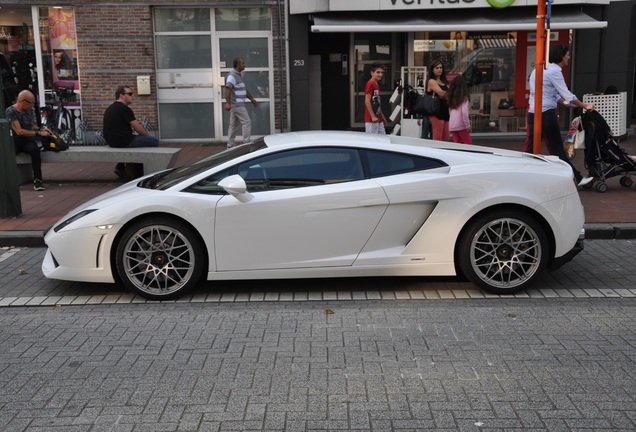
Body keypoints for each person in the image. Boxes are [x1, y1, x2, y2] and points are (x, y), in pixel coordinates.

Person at [525, 44, 594, 187]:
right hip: (547, 115)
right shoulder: (555, 71)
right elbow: (566, 94)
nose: (569, 57)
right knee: (557, 149)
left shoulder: (537, 70)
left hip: (533, 113)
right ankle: (577, 178)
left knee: (530, 149)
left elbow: (551, 94)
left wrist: (568, 103)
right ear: (561, 56)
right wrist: (584, 105)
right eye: (567, 54)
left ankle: (518, 176)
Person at [103, 86, 159, 178]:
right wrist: (147, 136)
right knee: (153, 141)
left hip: (112, 141)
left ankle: (120, 167)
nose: (132, 96)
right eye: (129, 94)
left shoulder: (111, 107)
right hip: (124, 141)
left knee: (138, 142)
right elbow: (138, 129)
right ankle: (140, 172)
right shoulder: (125, 109)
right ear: (121, 95)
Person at [5, 90, 52, 191]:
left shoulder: (28, 110)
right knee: (7, 155)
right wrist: (38, 134)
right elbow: (19, 131)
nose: (32, 105)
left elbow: (31, 125)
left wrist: (40, 129)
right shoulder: (10, 111)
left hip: (27, 140)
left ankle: (38, 180)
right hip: (16, 140)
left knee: (35, 151)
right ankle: (8, 180)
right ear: (22, 101)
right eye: (30, 103)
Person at [225, 57, 258, 148]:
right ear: (237, 65)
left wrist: (252, 99)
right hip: (237, 104)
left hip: (236, 105)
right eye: (243, 63)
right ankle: (246, 143)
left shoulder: (238, 75)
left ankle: (230, 145)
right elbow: (228, 89)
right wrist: (227, 103)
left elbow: (244, 90)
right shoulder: (232, 75)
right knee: (247, 122)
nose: (244, 65)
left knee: (233, 125)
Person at [426, 59, 450, 141]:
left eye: (441, 67)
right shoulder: (431, 81)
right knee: (437, 137)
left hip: (445, 110)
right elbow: (442, 93)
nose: (439, 69)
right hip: (436, 111)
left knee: (446, 137)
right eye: (437, 68)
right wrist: (453, 95)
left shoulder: (444, 81)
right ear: (432, 70)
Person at [447, 75, 472, 144]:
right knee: (468, 143)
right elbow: (464, 112)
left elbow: (450, 111)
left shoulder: (451, 98)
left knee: (457, 144)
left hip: (452, 123)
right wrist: (467, 124)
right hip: (461, 124)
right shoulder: (464, 98)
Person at [364, 63, 387, 134]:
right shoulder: (370, 84)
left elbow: (377, 103)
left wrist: (382, 117)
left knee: (383, 139)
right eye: (378, 72)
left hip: (378, 118)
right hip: (371, 119)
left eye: (382, 72)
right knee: (372, 141)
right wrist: (373, 116)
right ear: (372, 73)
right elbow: (367, 101)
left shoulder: (376, 84)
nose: (380, 74)